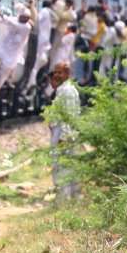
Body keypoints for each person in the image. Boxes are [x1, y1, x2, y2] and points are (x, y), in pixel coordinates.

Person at [48, 62, 80, 200]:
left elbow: (68, 115)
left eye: (60, 72)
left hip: (63, 133)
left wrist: (64, 137)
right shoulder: (66, 89)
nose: (56, 75)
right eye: (55, 72)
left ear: (67, 74)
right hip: (65, 132)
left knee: (61, 166)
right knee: (68, 166)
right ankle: (72, 197)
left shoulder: (65, 91)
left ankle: (63, 200)